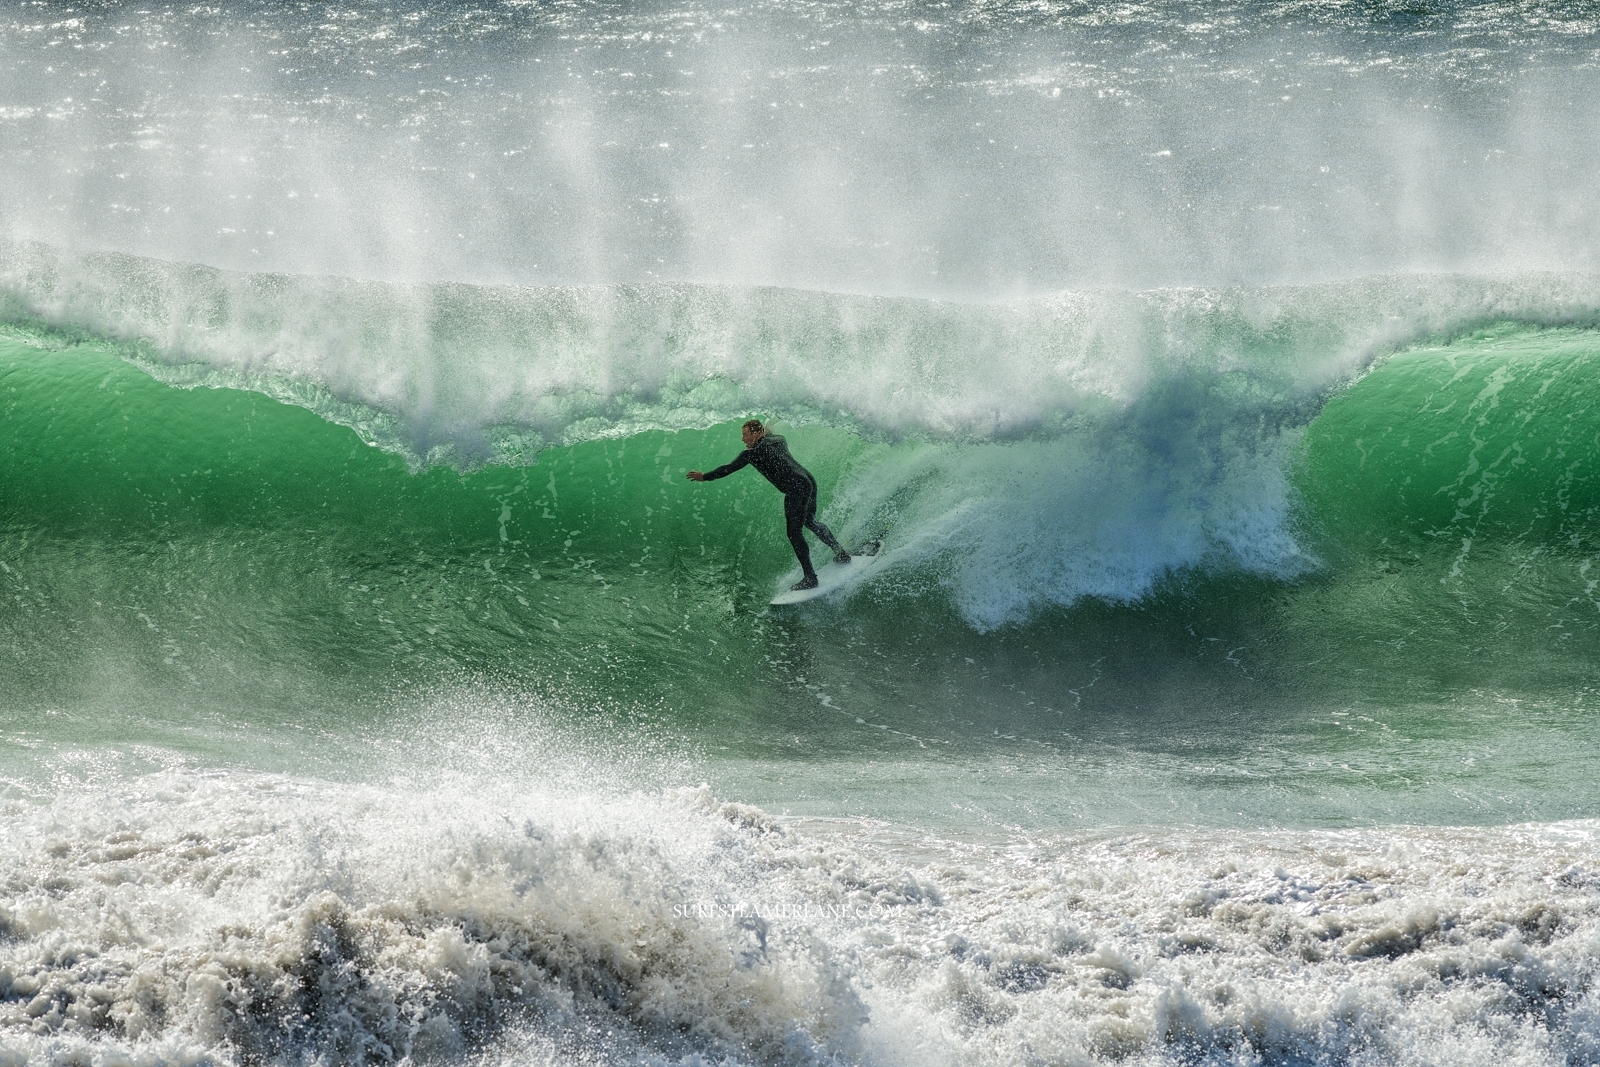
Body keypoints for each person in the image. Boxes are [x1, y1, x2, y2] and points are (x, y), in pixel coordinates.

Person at [687, 419, 849, 590]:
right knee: (809, 521)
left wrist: (704, 476)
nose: (743, 439)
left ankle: (810, 577)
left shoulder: (751, 454)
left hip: (796, 489)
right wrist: (766, 429)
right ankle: (840, 552)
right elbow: (768, 433)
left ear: (756, 434)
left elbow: (728, 468)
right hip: (808, 481)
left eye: (745, 434)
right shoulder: (778, 439)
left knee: (794, 533)